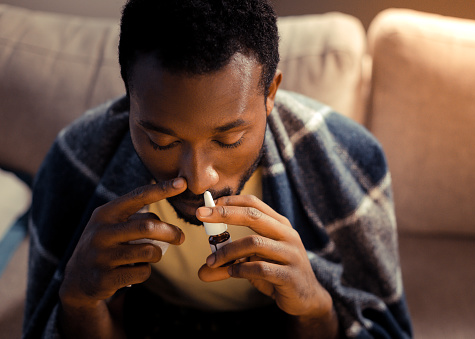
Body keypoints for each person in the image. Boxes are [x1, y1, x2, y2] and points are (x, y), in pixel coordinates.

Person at [23, 0, 412, 338]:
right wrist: (78, 303)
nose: (198, 178)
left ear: (270, 94)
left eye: (228, 140)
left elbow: (383, 325)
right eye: (162, 141)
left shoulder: (348, 157)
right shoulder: (75, 160)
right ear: (131, 100)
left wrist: (315, 307)